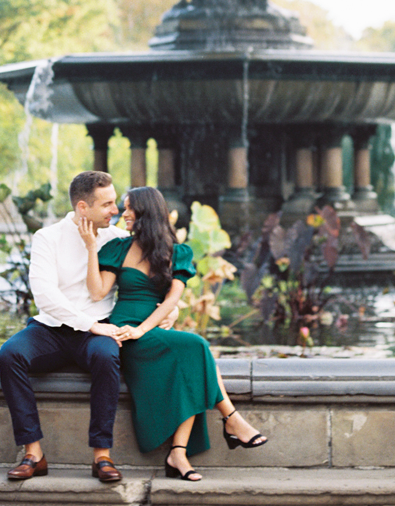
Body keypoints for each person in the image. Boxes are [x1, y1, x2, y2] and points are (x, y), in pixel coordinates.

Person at [0, 170, 175, 484]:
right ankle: (33, 453)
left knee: (107, 357)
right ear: (83, 207)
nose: (115, 210)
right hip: (51, 329)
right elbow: (45, 295)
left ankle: (102, 456)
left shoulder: (118, 239)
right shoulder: (47, 238)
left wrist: (170, 309)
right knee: (9, 356)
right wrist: (90, 325)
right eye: (106, 204)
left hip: (100, 329)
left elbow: (153, 279)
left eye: (114, 202)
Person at [80, 185, 267, 482]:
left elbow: (171, 301)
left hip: (147, 330)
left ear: (146, 212)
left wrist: (143, 329)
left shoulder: (177, 252)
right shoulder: (118, 248)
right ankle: (231, 420)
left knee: (193, 352)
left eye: (129, 208)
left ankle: (179, 452)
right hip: (124, 331)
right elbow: (97, 292)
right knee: (196, 347)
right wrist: (91, 248)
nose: (123, 213)